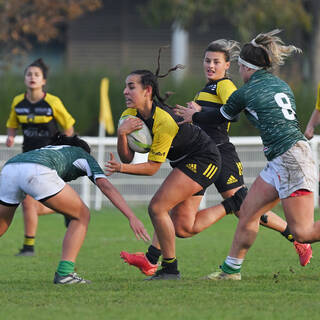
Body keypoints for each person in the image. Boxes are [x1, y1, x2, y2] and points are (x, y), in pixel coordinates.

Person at [118, 40, 312, 278]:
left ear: (228, 65)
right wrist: (185, 115)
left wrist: (198, 114)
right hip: (199, 153)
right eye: (207, 60)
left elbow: (233, 112)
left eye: (216, 62)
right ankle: (152, 258)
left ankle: (297, 238)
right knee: (182, 221)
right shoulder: (206, 89)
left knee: (244, 209)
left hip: (219, 152)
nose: (210, 65)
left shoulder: (224, 86)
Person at [175, 29, 318, 280]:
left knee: (303, 232)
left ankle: (233, 268)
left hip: (291, 159)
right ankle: (231, 270)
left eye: (239, 67)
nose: (239, 73)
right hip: (281, 159)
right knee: (247, 210)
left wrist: (194, 116)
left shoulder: (246, 91)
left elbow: (219, 116)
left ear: (244, 67)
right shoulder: (281, 84)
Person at [105, 51, 249, 280]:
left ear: (147, 91)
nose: (125, 91)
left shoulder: (163, 120)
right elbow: (127, 157)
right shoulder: (129, 115)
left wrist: (120, 170)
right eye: (125, 86)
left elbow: (152, 167)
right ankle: (234, 202)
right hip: (185, 161)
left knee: (157, 207)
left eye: (131, 86)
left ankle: (168, 268)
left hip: (204, 158)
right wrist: (121, 135)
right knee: (183, 227)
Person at [0, 134, 150, 284]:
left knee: (2, 224)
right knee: (82, 215)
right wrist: (132, 216)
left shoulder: (50, 149)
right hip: (38, 170)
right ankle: (65, 274)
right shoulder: (83, 155)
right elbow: (105, 186)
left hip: (11, 166)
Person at [6, 58, 75, 256]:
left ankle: (29, 246)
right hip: (28, 157)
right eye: (29, 74)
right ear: (25, 79)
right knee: (30, 203)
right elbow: (12, 123)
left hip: (50, 157)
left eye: (36, 75)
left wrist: (68, 149)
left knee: (30, 202)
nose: (32, 77)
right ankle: (64, 211)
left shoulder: (53, 102)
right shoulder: (18, 102)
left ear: (43, 80)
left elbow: (68, 127)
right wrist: (11, 136)